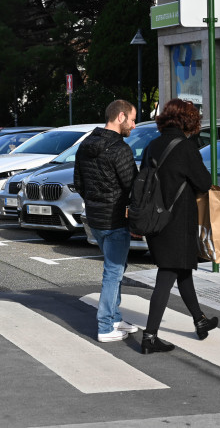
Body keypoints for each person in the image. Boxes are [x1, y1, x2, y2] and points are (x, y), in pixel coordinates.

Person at [139, 98, 216, 354]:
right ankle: (149, 336)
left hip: (155, 220)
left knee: (182, 271)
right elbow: (204, 183)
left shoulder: (151, 146)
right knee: (167, 275)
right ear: (188, 120)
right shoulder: (184, 147)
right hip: (178, 222)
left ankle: (199, 320)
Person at [74, 99, 138, 343]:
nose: (134, 124)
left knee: (116, 269)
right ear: (120, 117)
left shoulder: (85, 144)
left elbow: (79, 183)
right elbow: (132, 184)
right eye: (132, 119)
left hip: (94, 218)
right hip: (115, 219)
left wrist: (95, 201)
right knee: (113, 272)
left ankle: (114, 317)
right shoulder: (120, 149)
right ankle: (105, 326)